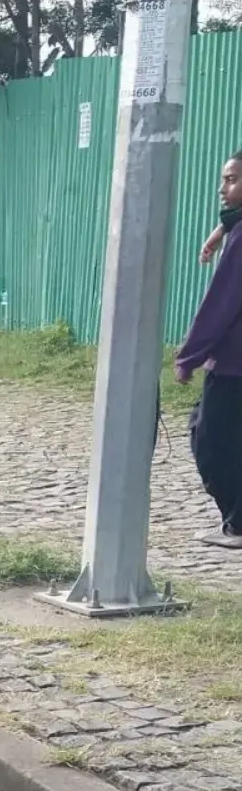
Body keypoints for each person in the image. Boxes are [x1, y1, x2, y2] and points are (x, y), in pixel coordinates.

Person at [176, 150, 242, 550]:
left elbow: (223, 301)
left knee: (210, 440)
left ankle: (238, 524)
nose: (223, 187)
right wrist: (221, 230)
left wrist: (189, 355)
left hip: (234, 364)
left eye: (232, 179)